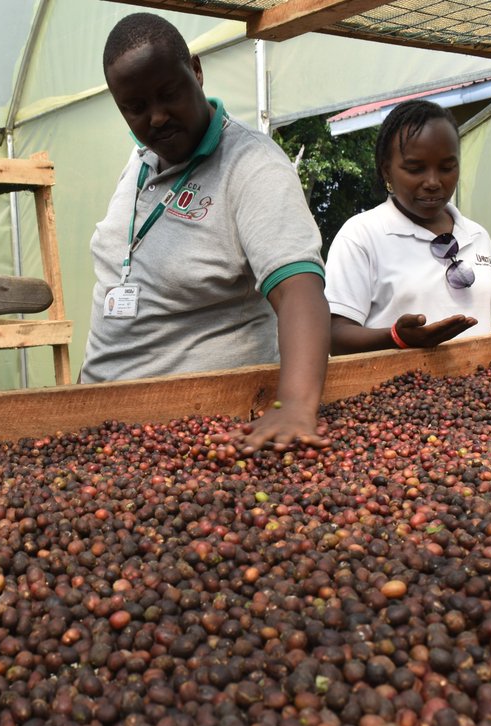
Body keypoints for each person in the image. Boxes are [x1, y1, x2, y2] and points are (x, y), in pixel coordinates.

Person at [81, 13, 332, 452]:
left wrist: (295, 405)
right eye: (136, 108)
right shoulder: (141, 161)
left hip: (194, 434)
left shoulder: (252, 166)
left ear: (195, 71)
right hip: (102, 426)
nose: (156, 118)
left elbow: (299, 289)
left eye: (168, 94)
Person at [324, 99, 491, 355]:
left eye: (447, 167)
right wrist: (396, 337)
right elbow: (333, 335)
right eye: (415, 169)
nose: (434, 182)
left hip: (474, 394)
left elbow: (478, 328)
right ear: (386, 171)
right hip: (396, 394)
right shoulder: (362, 235)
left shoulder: (477, 236)